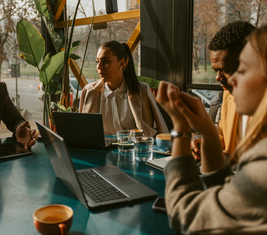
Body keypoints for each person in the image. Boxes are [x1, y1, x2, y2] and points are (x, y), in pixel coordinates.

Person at [156, 25, 267, 234]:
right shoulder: (231, 97)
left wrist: (180, 128)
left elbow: (186, 216)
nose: (228, 79)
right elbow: (227, 195)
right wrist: (207, 132)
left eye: (241, 69)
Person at [79, 40, 168, 136]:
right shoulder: (89, 91)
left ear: (122, 63)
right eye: (97, 61)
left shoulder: (142, 90)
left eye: (105, 62)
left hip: (133, 149)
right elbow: (82, 130)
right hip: (98, 150)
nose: (99, 67)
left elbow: (162, 130)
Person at [208, 21, 255, 159]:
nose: (218, 78)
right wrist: (206, 144)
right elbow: (222, 135)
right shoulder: (229, 94)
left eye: (226, 70)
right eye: (216, 71)